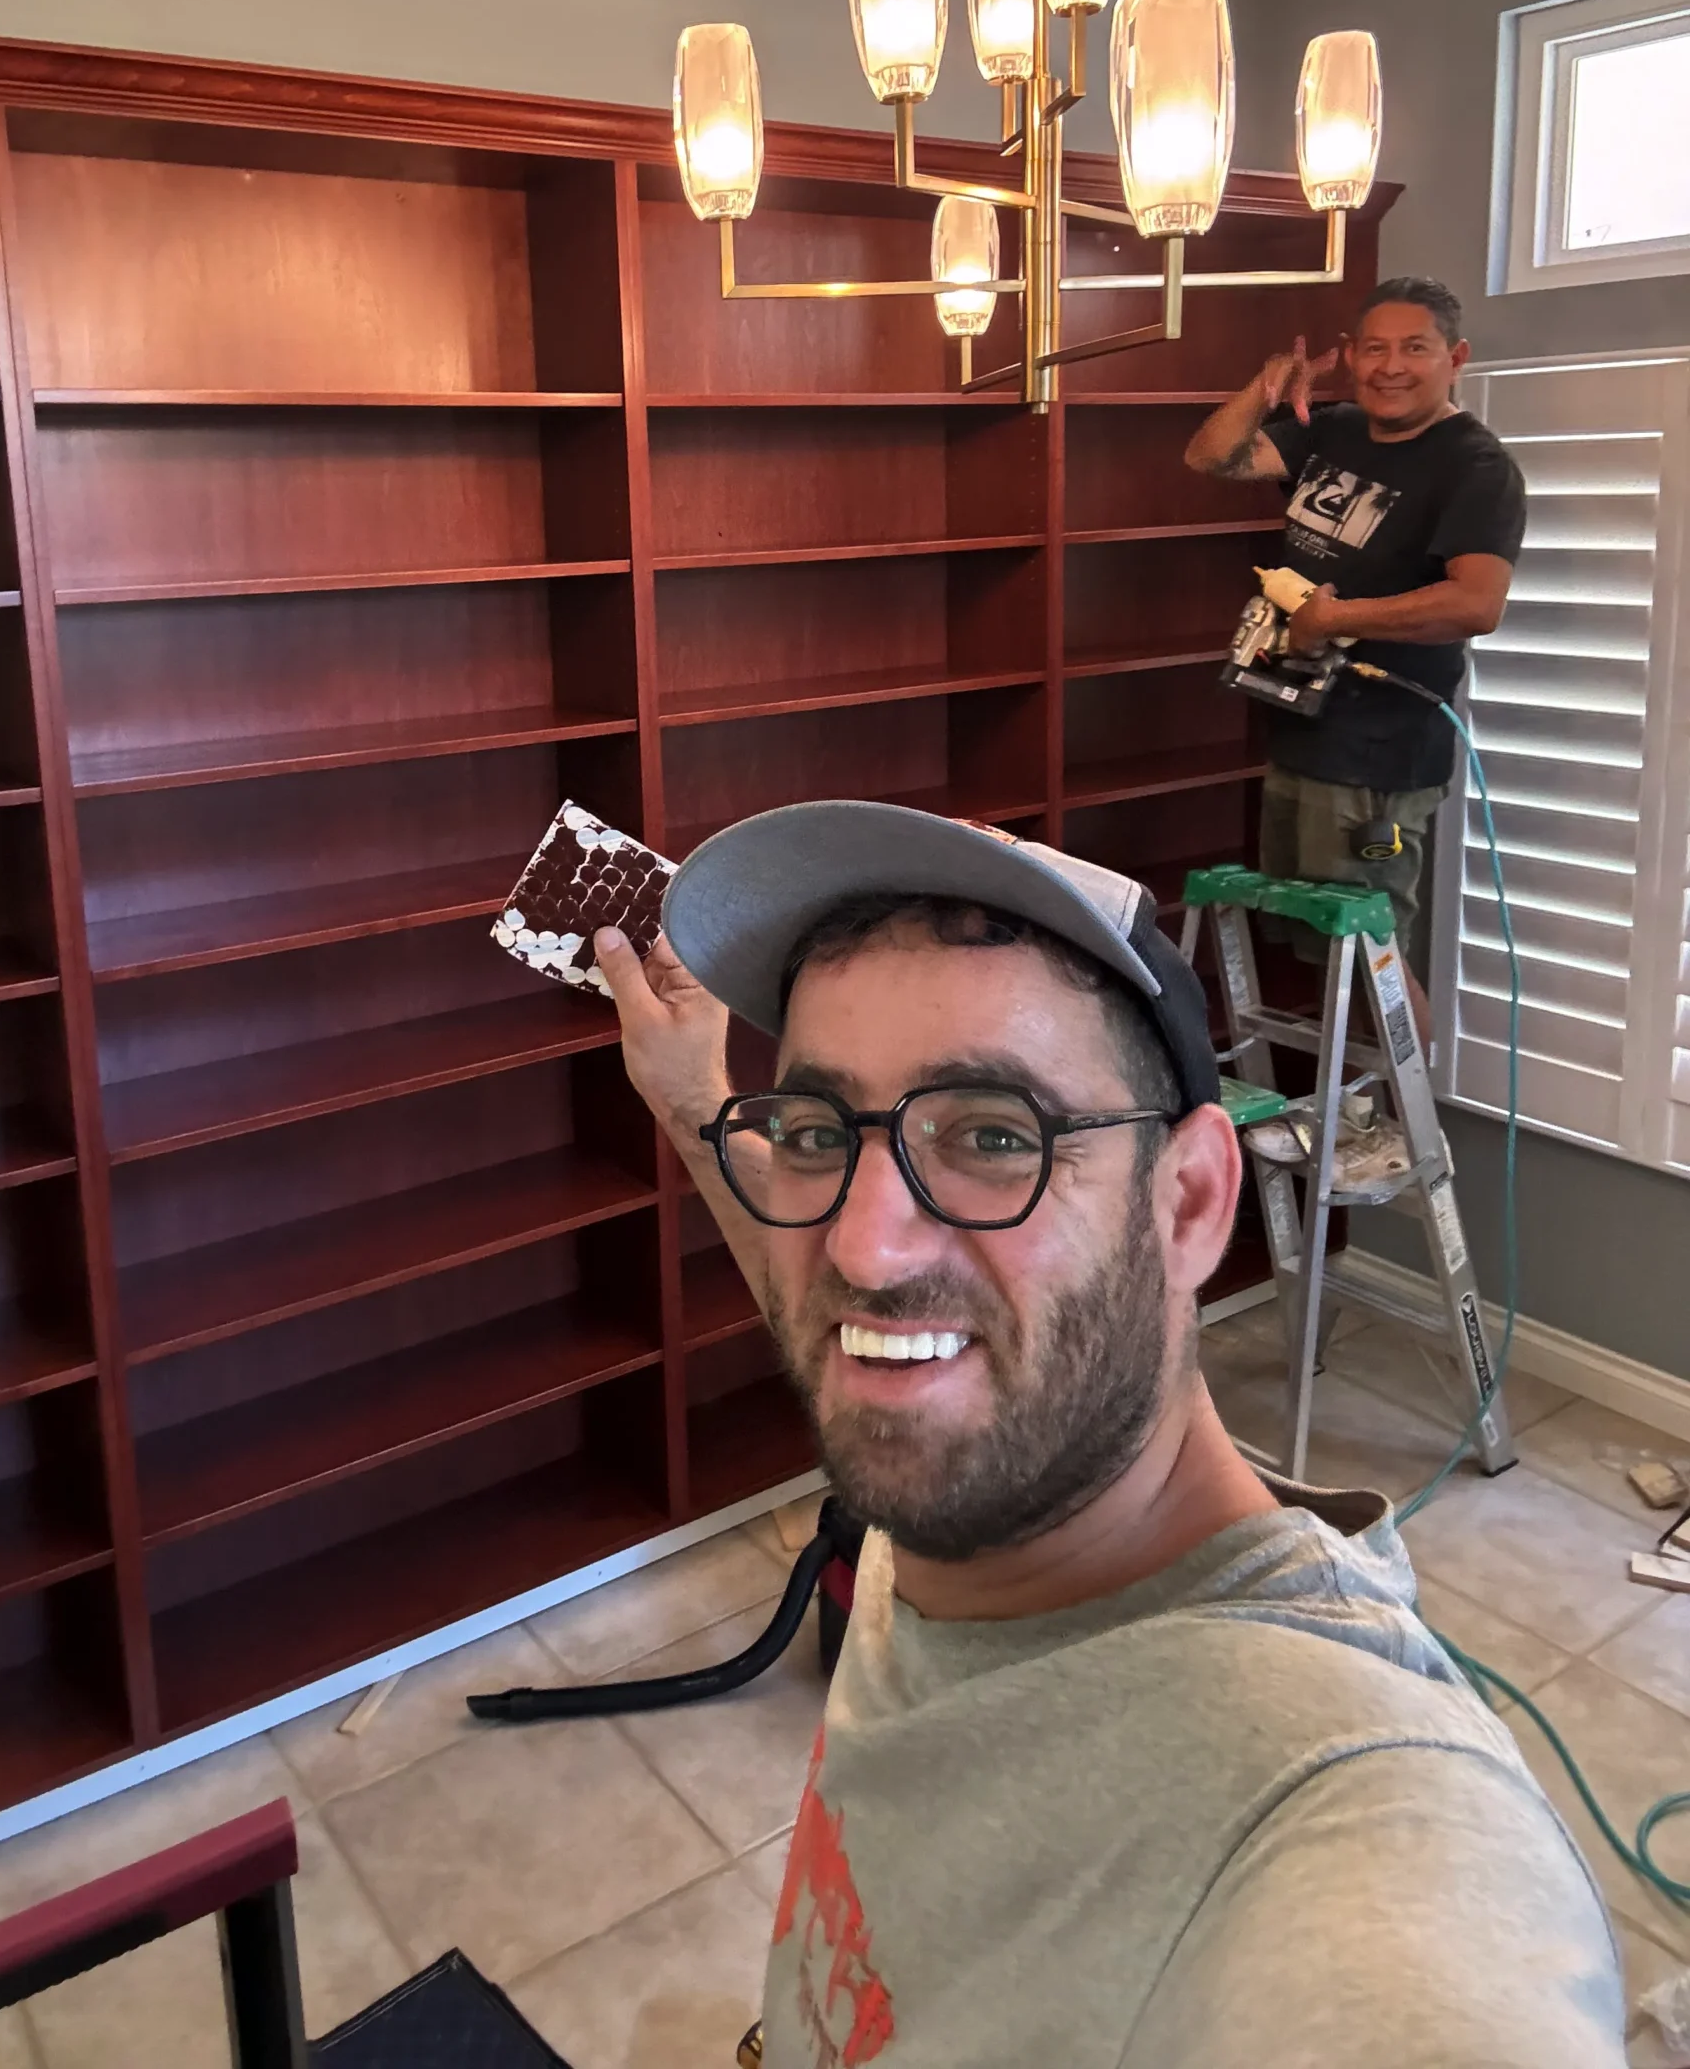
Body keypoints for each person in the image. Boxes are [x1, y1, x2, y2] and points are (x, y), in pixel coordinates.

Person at [592, 803, 1621, 2068]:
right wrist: (698, 1099)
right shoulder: (976, 1461)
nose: (862, 1248)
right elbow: (848, 1318)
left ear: (1189, 1202)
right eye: (818, 1133)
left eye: (991, 1136)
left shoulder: (1351, 1813)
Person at [1183, 276, 1526, 1040]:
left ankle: (1402, 1132)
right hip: (1304, 721)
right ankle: (1358, 1116)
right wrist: (1269, 383)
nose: (1391, 366)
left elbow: (1476, 603)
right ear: (1349, 357)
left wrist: (1336, 619)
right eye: (1374, 348)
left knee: (1370, 950)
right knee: (1321, 939)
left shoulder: (1474, 467)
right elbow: (1213, 454)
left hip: (1384, 752)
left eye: (1415, 348)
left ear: (1455, 358)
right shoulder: (1332, 430)